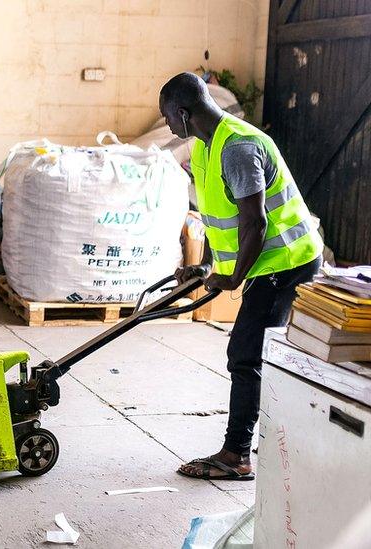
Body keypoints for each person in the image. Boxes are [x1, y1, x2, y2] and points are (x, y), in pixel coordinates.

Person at [160, 72, 323, 481]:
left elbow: (256, 223)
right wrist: (209, 267)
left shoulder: (238, 147)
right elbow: (222, 219)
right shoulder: (204, 146)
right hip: (266, 264)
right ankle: (257, 444)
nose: (166, 126)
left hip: (287, 262)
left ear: (183, 113)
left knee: (246, 355)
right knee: (255, 353)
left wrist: (232, 280)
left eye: (167, 118)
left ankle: (237, 456)